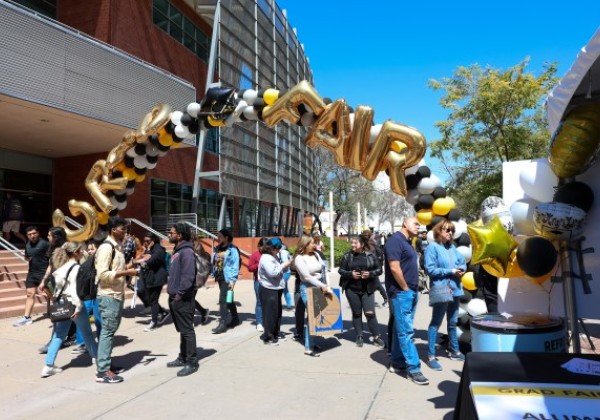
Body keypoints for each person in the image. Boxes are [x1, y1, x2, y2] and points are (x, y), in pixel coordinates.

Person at [41, 242, 98, 377]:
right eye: (81, 250)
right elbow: (74, 289)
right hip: (73, 303)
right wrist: (78, 307)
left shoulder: (59, 269)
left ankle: (48, 365)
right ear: (76, 252)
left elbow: (49, 287)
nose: (83, 252)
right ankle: (97, 358)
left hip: (61, 303)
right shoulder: (76, 268)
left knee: (58, 335)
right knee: (87, 333)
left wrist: (55, 299)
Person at [384, 217, 429, 385]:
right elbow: (394, 267)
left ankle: (397, 362)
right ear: (404, 224)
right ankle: (414, 369)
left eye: (419, 224)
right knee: (406, 332)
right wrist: (404, 288)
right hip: (402, 293)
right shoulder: (395, 241)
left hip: (410, 292)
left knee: (399, 329)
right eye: (415, 223)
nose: (419, 226)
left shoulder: (407, 241)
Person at [95, 216, 138, 384]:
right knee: (107, 332)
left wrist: (130, 268)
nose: (125, 232)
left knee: (110, 332)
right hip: (109, 296)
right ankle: (103, 371)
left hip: (116, 295)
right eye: (123, 229)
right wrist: (127, 273)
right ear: (113, 230)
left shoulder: (117, 247)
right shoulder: (106, 248)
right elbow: (103, 274)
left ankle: (107, 364)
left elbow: (115, 269)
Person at [424, 220, 467, 371]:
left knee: (453, 322)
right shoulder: (432, 248)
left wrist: (462, 268)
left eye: (452, 230)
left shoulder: (453, 248)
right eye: (446, 230)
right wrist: (450, 271)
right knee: (435, 323)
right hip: (442, 290)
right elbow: (430, 270)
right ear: (438, 232)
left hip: (455, 289)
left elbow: (462, 262)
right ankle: (430, 356)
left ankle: (454, 350)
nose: (450, 232)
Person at [338, 235, 385, 348]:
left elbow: (379, 270)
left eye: (355, 243)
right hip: (352, 289)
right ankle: (359, 336)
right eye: (352, 243)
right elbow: (341, 270)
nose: (352, 245)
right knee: (357, 313)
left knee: (370, 313)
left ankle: (376, 337)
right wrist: (351, 274)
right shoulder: (347, 256)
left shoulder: (370, 256)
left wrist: (370, 274)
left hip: (368, 289)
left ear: (362, 244)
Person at [166, 222, 200, 376]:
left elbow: (188, 277)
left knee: (187, 330)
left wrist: (179, 295)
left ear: (179, 235)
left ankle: (192, 362)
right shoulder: (178, 251)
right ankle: (183, 356)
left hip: (183, 298)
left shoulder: (186, 252)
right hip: (175, 297)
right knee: (182, 330)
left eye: (171, 232)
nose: (169, 234)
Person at [294, 235, 331, 357]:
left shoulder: (316, 255)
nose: (314, 245)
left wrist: (327, 284)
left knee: (315, 316)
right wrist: (322, 285)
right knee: (312, 316)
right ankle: (308, 347)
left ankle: (311, 341)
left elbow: (324, 269)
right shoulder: (299, 258)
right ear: (305, 245)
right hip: (307, 288)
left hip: (320, 287)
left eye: (314, 243)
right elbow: (306, 277)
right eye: (311, 243)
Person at [258, 238, 292, 345]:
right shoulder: (266, 258)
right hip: (268, 289)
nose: (278, 251)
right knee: (270, 314)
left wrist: (286, 264)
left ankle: (275, 332)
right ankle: (268, 336)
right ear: (271, 248)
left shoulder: (274, 256)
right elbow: (273, 272)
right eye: (277, 249)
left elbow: (280, 270)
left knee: (276, 313)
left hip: (276, 288)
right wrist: (284, 265)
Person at [13, 226, 49, 326]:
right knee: (30, 294)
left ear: (38, 233)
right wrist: (28, 258)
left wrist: (48, 274)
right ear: (27, 236)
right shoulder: (27, 244)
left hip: (44, 273)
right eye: (29, 234)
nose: (32, 236)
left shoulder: (45, 244)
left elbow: (51, 260)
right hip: (32, 273)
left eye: (34, 233)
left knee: (52, 295)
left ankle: (62, 313)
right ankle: (27, 317)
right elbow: (27, 256)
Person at [135, 232, 169, 332]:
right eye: (144, 241)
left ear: (153, 241)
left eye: (148, 241)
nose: (145, 243)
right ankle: (163, 312)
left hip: (157, 278)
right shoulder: (152, 249)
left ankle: (154, 322)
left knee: (153, 300)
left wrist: (141, 260)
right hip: (150, 278)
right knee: (151, 299)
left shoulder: (158, 250)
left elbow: (149, 262)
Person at [211, 229, 240, 334]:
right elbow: (213, 261)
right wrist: (215, 260)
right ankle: (235, 319)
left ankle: (223, 323)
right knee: (229, 298)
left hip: (227, 278)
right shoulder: (217, 248)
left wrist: (232, 280)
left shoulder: (233, 250)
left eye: (220, 236)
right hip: (219, 276)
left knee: (223, 299)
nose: (218, 238)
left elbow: (235, 266)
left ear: (226, 237)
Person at [248, 237, 268, 332]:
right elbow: (250, 268)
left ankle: (267, 321)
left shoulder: (270, 255)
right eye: (263, 247)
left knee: (268, 302)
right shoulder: (255, 255)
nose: (264, 249)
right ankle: (259, 322)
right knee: (260, 302)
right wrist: (258, 264)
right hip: (258, 282)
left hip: (269, 282)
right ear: (259, 246)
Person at [192, 238, 211, 325]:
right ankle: (203, 311)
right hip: (189, 277)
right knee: (189, 299)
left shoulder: (196, 246)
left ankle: (190, 320)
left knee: (189, 299)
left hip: (193, 278)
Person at [279, 240, 294, 310]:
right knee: (285, 289)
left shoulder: (283, 252)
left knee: (280, 288)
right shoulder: (285, 251)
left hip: (285, 272)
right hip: (286, 272)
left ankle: (280, 304)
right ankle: (289, 304)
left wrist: (279, 267)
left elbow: (285, 262)